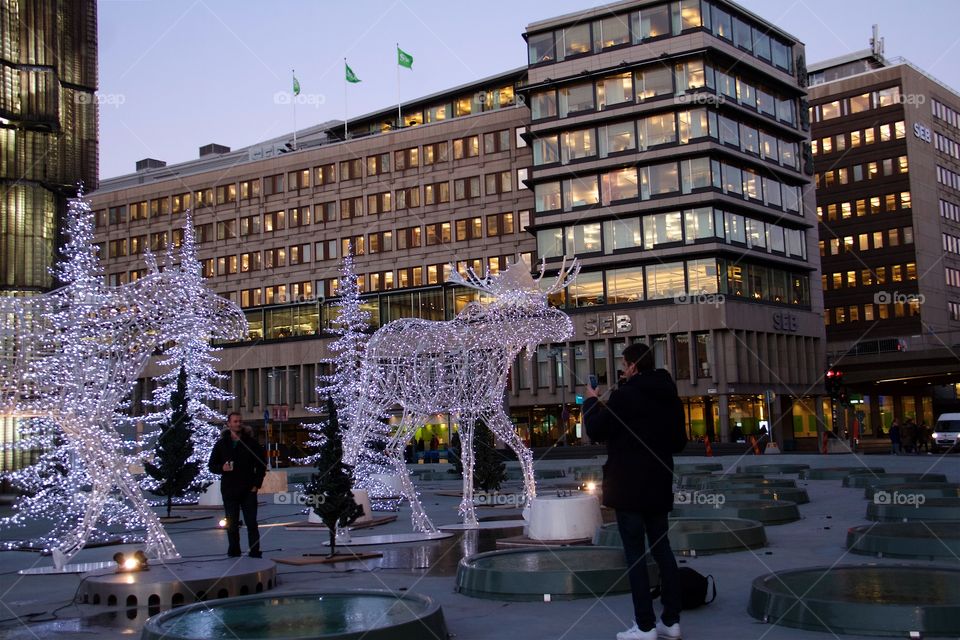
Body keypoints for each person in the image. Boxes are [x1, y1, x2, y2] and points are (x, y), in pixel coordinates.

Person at [584, 343, 683, 640]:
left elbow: (596, 430)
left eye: (624, 363)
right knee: (663, 551)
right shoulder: (670, 395)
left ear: (633, 366)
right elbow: (679, 442)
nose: (622, 369)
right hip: (658, 484)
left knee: (636, 556)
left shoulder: (625, 395)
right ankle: (671, 621)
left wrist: (590, 401)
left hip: (628, 486)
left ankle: (644, 626)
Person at [208, 412, 267, 558]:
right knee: (232, 524)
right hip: (229, 489)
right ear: (229, 424)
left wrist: (256, 485)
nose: (238, 424)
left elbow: (261, 465)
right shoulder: (221, 444)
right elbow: (211, 465)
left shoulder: (251, 443)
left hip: (248, 489)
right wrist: (222, 468)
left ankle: (255, 551)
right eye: (235, 421)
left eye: (240, 421)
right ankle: (234, 551)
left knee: (251, 523)